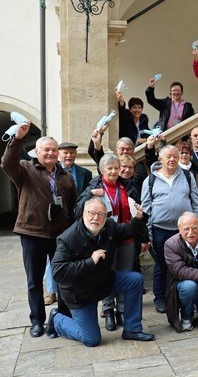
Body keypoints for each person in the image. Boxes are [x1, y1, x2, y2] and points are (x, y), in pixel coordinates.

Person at [1, 123, 78, 337]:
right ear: (37, 152)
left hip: (59, 235)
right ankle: (37, 321)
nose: (51, 153)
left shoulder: (65, 176)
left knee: (63, 277)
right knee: (34, 281)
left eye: (54, 150)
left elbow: (72, 205)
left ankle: (63, 317)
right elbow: (7, 163)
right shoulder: (25, 168)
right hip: (32, 233)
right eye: (47, 150)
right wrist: (16, 139)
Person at [46, 198, 155, 346]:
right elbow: (58, 271)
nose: (96, 218)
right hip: (81, 294)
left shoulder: (109, 225)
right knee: (91, 339)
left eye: (101, 214)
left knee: (134, 280)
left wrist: (138, 217)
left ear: (106, 216)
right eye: (91, 213)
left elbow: (125, 231)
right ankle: (57, 319)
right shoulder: (68, 238)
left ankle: (132, 329)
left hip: (104, 282)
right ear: (83, 214)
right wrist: (90, 261)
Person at [74, 154, 150, 331]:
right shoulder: (94, 186)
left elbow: (140, 212)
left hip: (127, 238)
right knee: (106, 274)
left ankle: (122, 310)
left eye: (117, 168)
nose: (115, 171)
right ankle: (108, 310)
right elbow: (78, 210)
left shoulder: (127, 185)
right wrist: (90, 195)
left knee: (126, 274)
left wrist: (144, 236)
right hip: (105, 239)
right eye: (110, 168)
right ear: (102, 170)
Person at [142, 145, 198, 314]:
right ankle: (160, 297)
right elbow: (146, 208)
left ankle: (183, 295)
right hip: (160, 229)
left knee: (188, 262)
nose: (172, 159)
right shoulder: (151, 180)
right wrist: (148, 233)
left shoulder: (187, 176)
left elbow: (196, 201)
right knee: (162, 264)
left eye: (175, 156)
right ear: (160, 159)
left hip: (184, 230)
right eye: (168, 156)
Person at [42, 141, 92, 306]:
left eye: (72, 153)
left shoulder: (84, 173)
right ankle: (51, 290)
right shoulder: (52, 172)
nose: (69, 156)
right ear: (59, 155)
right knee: (55, 257)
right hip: (56, 221)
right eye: (65, 153)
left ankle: (72, 287)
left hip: (78, 222)